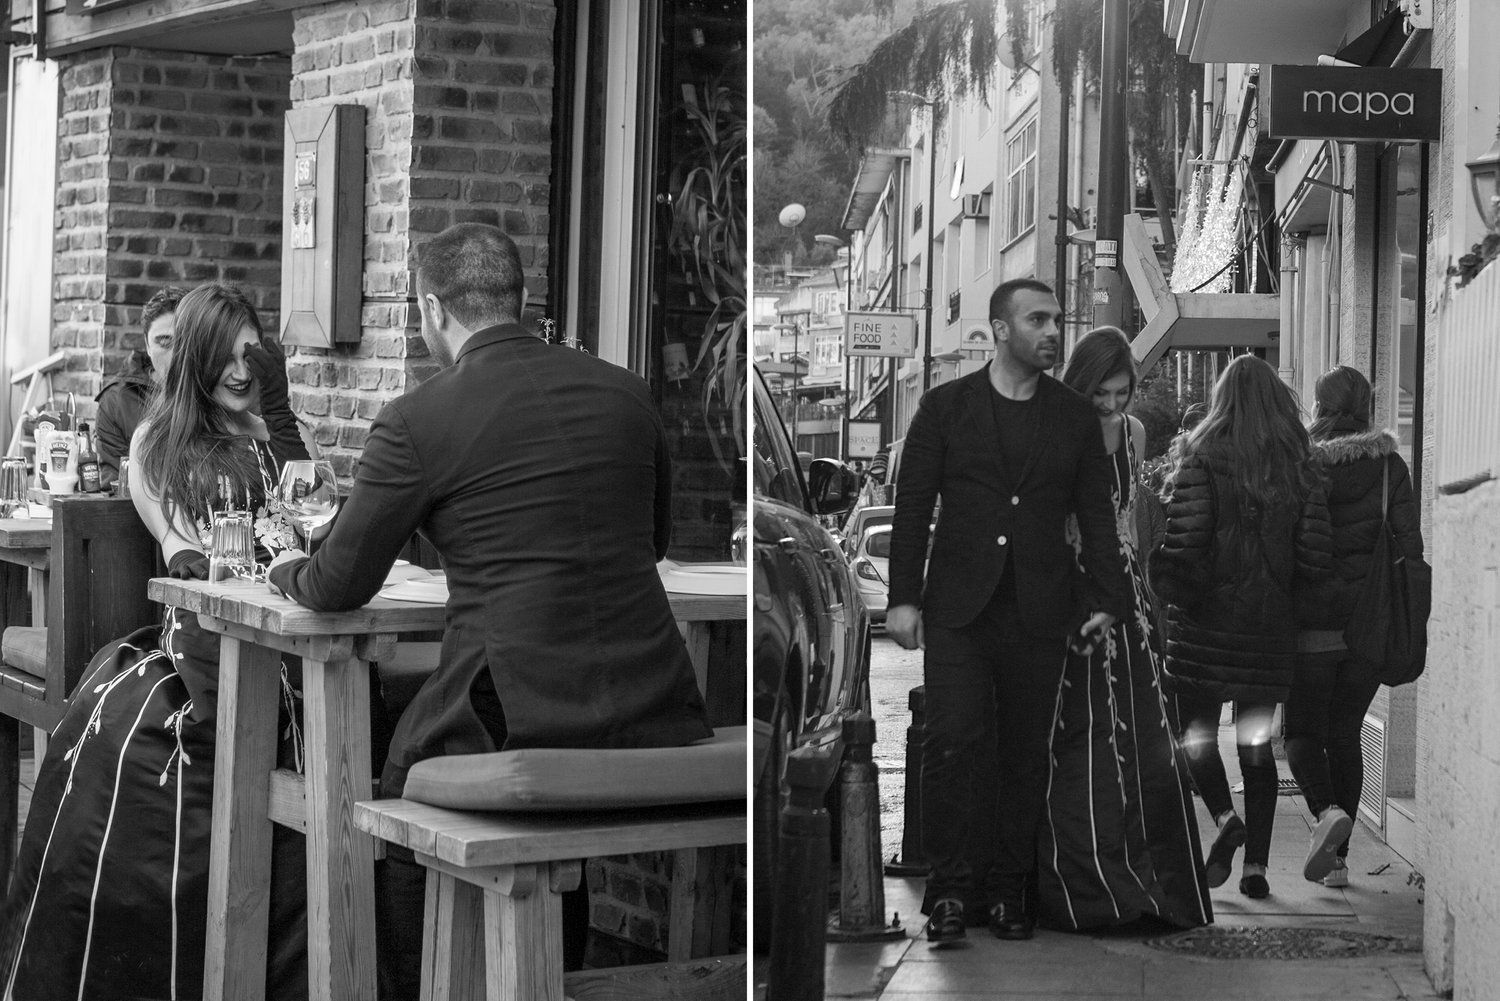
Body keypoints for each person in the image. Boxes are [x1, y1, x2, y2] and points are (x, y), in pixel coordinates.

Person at [264, 223, 712, 993]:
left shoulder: (417, 418)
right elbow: (653, 539)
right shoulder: (627, 393)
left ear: (432, 309)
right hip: (654, 710)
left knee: (400, 784)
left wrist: (283, 568)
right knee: (537, 834)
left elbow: (337, 586)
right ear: (521, 298)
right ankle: (544, 975)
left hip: (519, 718)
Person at [0, 282, 317, 1001]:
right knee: (135, 746)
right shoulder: (155, 439)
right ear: (197, 357)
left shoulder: (274, 433)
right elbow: (177, 543)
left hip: (287, 629)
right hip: (202, 634)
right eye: (226, 356)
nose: (242, 370)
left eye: (252, 354)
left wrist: (279, 421)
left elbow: (309, 518)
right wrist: (211, 558)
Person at [886, 278, 1131, 944]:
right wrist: (902, 597)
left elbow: (1096, 514)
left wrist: (1109, 598)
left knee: (1025, 755)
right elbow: (913, 507)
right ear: (1000, 329)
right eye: (1037, 320)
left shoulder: (1072, 416)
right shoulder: (945, 407)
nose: (1053, 331)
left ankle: (1007, 891)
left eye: (1055, 320)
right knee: (954, 743)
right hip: (958, 610)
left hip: (1039, 609)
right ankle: (948, 891)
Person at [1037, 327, 1211, 930]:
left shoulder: (1134, 434)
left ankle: (1147, 879)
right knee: (1080, 735)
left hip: (1126, 593)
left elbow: (1129, 523)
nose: (1112, 405)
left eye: (1122, 393)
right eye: (1101, 394)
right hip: (1072, 590)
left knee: (1144, 738)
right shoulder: (1055, 427)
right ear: (1080, 386)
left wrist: (1142, 599)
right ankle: (1083, 884)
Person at [1152, 354, 1333, 900]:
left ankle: (1224, 817)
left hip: (1204, 631)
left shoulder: (1201, 454)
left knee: (1195, 736)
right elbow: (1315, 557)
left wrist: (1168, 584)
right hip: (1267, 634)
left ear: (1222, 398)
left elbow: (1185, 544)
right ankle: (1256, 867)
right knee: (1255, 749)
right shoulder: (1298, 462)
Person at [1285, 366, 1423, 887]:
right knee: (1345, 735)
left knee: (1302, 732)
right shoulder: (1390, 467)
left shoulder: (1300, 464)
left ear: (1320, 407)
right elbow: (1411, 547)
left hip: (1311, 627)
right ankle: (1338, 862)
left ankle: (1326, 814)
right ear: (1366, 407)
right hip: (1370, 627)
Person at [93, 285, 185, 482]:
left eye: (184, 342)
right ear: (147, 345)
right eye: (164, 342)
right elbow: (116, 485)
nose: (175, 354)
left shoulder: (218, 389)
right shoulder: (117, 401)